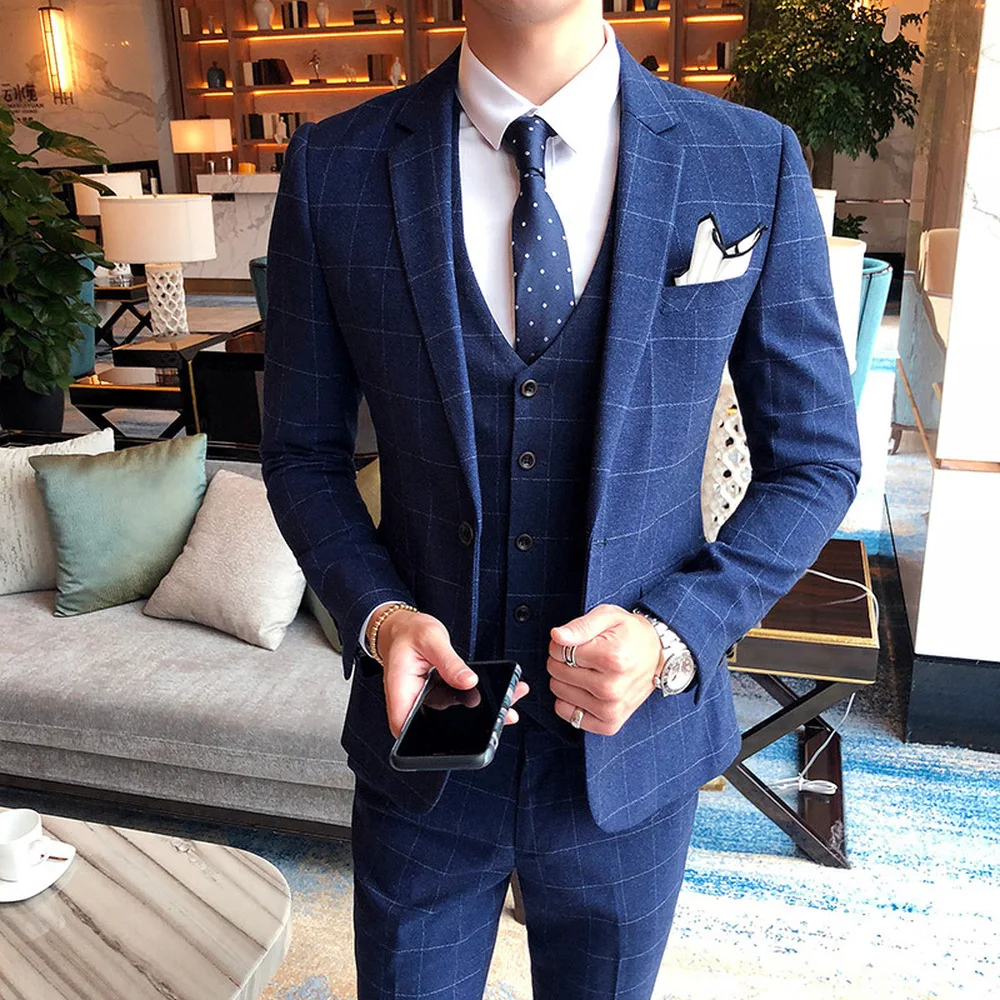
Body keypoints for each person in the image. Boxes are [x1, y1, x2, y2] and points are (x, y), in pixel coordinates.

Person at [260, 0, 862, 996]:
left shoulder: (748, 157)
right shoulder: (335, 166)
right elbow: (301, 453)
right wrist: (380, 615)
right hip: (426, 753)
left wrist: (672, 634)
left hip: (634, 756)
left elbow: (815, 459)